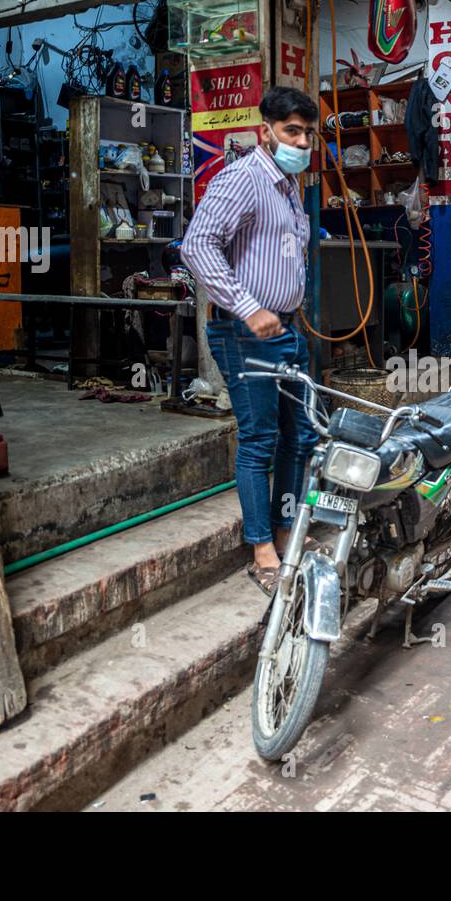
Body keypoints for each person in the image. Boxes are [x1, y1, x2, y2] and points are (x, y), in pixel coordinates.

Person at [181, 86, 320, 595]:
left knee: (300, 437)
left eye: (308, 133)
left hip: (286, 330)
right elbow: (197, 245)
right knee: (260, 440)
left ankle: (286, 532)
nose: (302, 142)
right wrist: (249, 307)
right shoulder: (243, 178)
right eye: (291, 132)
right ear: (267, 130)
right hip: (245, 332)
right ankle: (261, 548)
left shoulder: (288, 186)